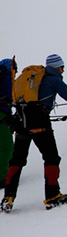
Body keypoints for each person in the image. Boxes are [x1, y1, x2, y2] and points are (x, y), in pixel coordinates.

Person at [1, 54, 67, 213]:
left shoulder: (29, 79)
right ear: (57, 67)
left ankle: (8, 198)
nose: (63, 71)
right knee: (51, 157)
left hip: (21, 123)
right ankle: (52, 195)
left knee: (17, 160)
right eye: (62, 67)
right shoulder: (54, 79)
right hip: (40, 124)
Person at [0, 58, 16, 190]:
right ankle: (3, 177)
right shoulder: (7, 78)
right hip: (1, 114)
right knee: (7, 146)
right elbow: (13, 97)